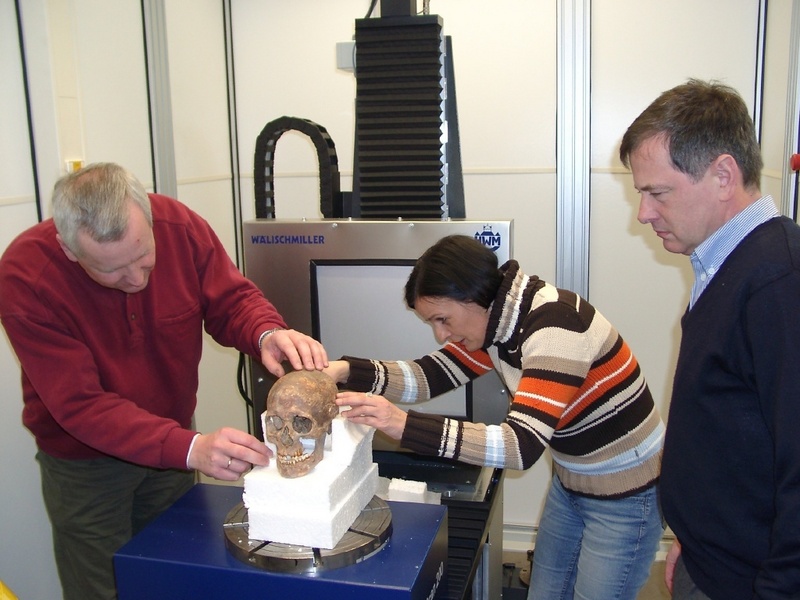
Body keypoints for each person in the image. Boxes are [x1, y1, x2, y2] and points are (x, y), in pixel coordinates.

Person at [0, 162, 328, 600]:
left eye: (143, 259)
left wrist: (266, 332)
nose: (135, 280)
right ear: (68, 249)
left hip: (170, 448)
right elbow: (80, 404)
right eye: (111, 271)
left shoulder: (180, 226)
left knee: (174, 576)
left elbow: (230, 301)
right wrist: (190, 447)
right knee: (101, 588)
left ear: (150, 220)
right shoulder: (25, 276)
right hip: (85, 468)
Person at [323, 234, 665, 600]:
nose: (441, 335)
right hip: (573, 483)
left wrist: (404, 426)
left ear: (473, 296)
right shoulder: (500, 324)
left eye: (443, 319)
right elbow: (427, 377)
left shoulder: (554, 325)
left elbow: (520, 447)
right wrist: (344, 370)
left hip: (626, 496)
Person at [619, 79, 800, 599]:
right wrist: (694, 537)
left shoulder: (777, 283)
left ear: (723, 175)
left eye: (657, 192)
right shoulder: (726, 266)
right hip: (712, 558)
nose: (644, 213)